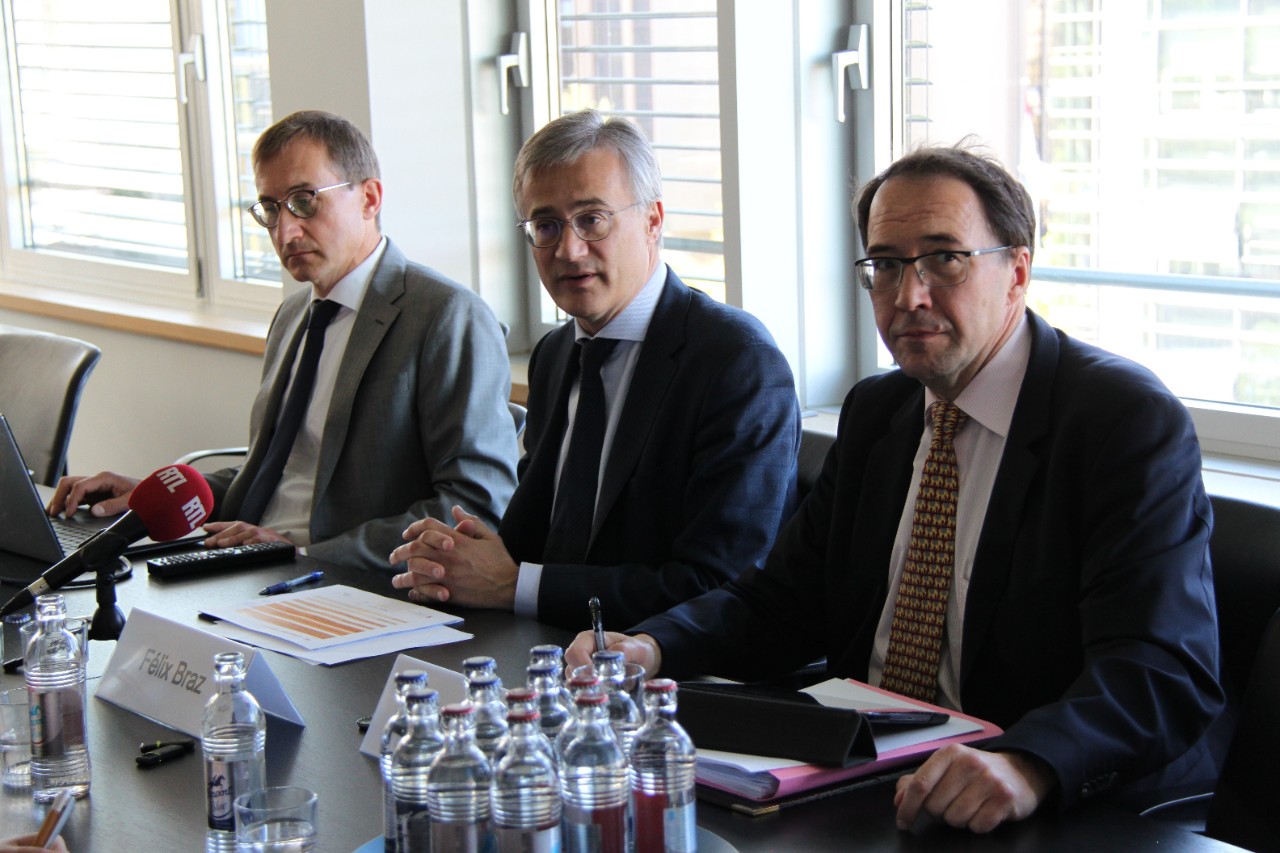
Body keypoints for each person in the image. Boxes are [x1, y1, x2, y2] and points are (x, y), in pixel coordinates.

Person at [567, 144, 1228, 833]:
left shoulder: (1121, 420)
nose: (910, 296)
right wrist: (650, 646)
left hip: (1050, 799)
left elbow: (1160, 669)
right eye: (885, 265)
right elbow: (782, 602)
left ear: (1018, 271)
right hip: (872, 777)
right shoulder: (880, 410)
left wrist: (1029, 761)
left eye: (945, 258)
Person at [48, 110, 518, 572]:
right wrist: (155, 495)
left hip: (345, 578)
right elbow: (282, 474)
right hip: (249, 563)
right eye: (271, 209)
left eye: (304, 201)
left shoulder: (445, 316)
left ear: (370, 198)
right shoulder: (295, 313)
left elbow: (472, 505)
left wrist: (304, 553)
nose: (285, 231)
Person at [390, 109, 800, 630]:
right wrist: (453, 559)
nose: (569, 250)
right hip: (546, 651)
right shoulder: (557, 353)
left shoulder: (737, 362)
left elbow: (719, 585)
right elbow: (529, 543)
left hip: (672, 672)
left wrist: (513, 585)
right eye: (546, 225)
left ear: (653, 220)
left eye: (591, 219)